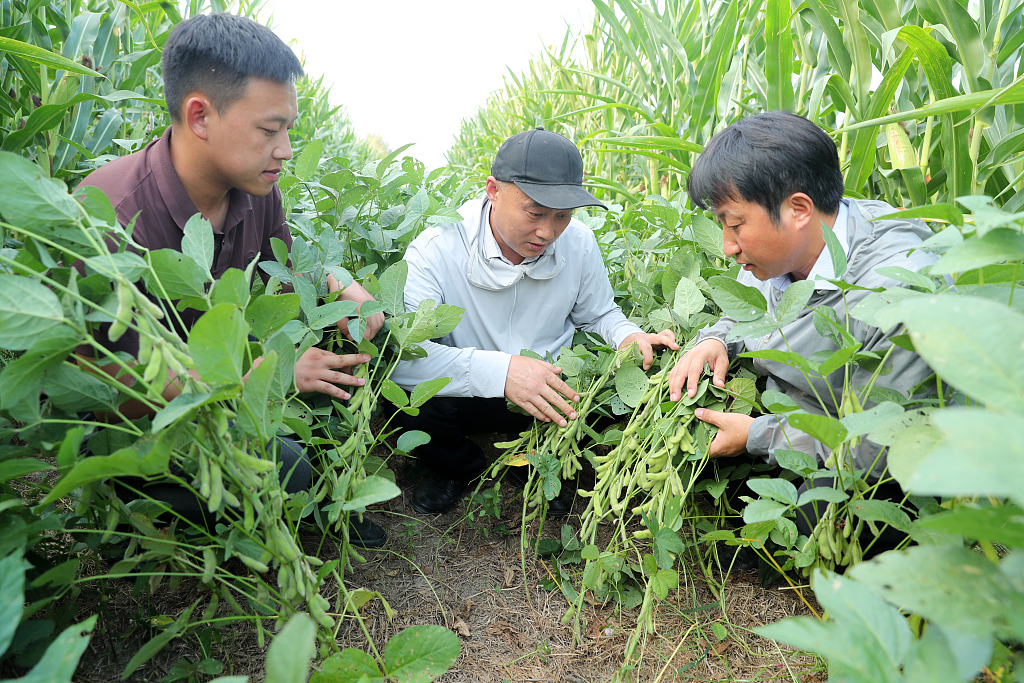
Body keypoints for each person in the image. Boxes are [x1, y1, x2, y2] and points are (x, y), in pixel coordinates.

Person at [75, 13, 386, 547]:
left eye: (288, 129)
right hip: (138, 424)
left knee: (348, 352)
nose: (285, 149)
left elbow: (285, 270)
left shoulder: (257, 191)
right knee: (288, 466)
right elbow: (108, 384)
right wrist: (272, 376)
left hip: (230, 379)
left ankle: (296, 483)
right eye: (270, 130)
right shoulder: (109, 213)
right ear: (200, 116)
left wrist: (341, 289)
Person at [667, 110, 937, 546]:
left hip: (875, 454)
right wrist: (715, 339)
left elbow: (880, 445)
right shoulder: (782, 248)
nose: (727, 246)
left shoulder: (895, 290)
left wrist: (758, 435)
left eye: (735, 225)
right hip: (797, 410)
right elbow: (740, 314)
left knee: (817, 519)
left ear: (798, 209)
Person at [389, 128, 678, 515]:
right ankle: (459, 467)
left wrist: (627, 335)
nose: (547, 232)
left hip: (549, 384)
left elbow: (599, 313)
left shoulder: (577, 242)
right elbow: (406, 358)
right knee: (409, 403)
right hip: (462, 388)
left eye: (562, 216)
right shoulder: (438, 247)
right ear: (493, 190)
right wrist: (503, 371)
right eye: (535, 212)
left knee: (598, 394)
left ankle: (540, 464)